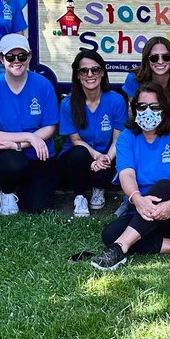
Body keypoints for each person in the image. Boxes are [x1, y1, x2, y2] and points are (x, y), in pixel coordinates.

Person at [89, 82, 170, 270]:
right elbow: (127, 175)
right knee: (110, 234)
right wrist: (137, 199)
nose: (147, 112)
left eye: (154, 107)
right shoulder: (127, 137)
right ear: (134, 109)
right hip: (143, 209)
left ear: (165, 109)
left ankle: (120, 249)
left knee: (164, 185)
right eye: (142, 106)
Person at [0, 33, 59, 216]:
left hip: (37, 154)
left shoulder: (43, 85)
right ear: (1, 59)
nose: (16, 61)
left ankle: (21, 187)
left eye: (22, 56)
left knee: (38, 206)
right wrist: (30, 137)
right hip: (1, 153)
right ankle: (6, 191)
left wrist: (18, 145)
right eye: (10, 57)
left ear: (29, 57)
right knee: (13, 164)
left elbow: (50, 127)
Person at [57, 49, 125, 218]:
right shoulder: (68, 103)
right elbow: (75, 140)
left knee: (110, 168)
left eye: (95, 70)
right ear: (78, 75)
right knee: (79, 153)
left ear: (102, 73)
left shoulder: (116, 100)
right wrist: (96, 156)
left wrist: (106, 158)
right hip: (76, 158)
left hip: (106, 157)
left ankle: (98, 188)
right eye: (84, 71)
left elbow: (117, 139)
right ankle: (80, 197)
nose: (90, 74)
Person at [121, 37, 170, 133]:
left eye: (166, 57)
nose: (160, 61)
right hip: (144, 131)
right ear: (147, 60)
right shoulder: (134, 79)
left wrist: (167, 142)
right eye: (154, 58)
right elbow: (139, 116)